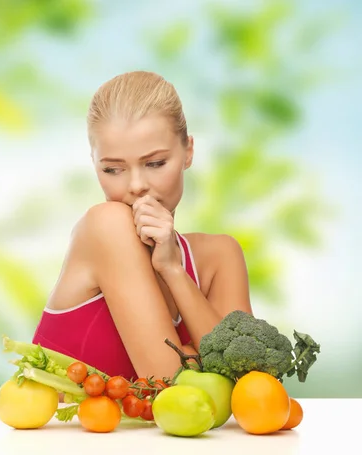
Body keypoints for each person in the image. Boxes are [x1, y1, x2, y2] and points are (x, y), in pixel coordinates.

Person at [32, 71, 253, 382]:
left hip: (170, 433)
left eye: (155, 163)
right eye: (113, 169)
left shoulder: (220, 256)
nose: (136, 185)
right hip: (63, 431)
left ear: (188, 151)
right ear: (94, 164)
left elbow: (247, 381)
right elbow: (169, 383)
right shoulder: (105, 225)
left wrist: (173, 270)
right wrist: (196, 355)